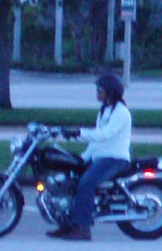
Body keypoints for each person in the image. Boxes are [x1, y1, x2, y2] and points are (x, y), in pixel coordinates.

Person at [52, 71, 131, 241]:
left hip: (115, 158)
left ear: (110, 92)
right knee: (70, 178)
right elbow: (96, 141)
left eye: (100, 90)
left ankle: (83, 229)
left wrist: (79, 132)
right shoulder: (105, 111)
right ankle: (67, 225)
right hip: (100, 157)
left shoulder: (121, 113)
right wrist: (82, 158)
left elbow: (104, 135)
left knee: (86, 183)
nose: (97, 92)